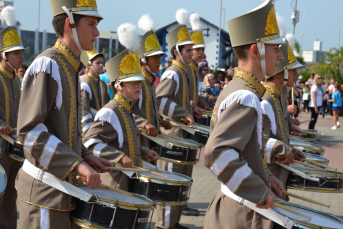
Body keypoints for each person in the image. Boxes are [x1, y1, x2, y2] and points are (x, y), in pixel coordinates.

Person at [16, 1, 113, 228]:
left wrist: (85, 154)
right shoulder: (47, 65)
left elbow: (63, 130)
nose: (97, 32)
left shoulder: (70, 67)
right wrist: (77, 164)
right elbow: (30, 131)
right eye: (91, 24)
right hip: (44, 194)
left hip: (63, 191)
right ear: (70, 24)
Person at [204, 1, 287, 228]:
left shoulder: (238, 88)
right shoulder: (245, 96)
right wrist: (258, 189)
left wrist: (265, 177)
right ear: (255, 50)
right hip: (242, 214)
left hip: (239, 208)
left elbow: (243, 152)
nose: (281, 57)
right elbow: (216, 153)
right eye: (275, 48)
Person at [83, 23, 158, 192]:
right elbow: (90, 142)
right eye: (132, 83)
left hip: (129, 180)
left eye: (139, 82)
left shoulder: (127, 108)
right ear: (118, 86)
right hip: (114, 183)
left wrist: (144, 151)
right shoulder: (109, 111)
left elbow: (125, 143)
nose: (138, 86)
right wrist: (119, 157)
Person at [155, 9, 202, 229]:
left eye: (193, 50)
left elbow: (184, 101)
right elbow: (160, 102)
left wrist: (194, 108)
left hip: (184, 134)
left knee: (182, 181)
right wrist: (184, 114)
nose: (192, 53)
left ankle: (174, 222)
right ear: (177, 51)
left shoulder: (185, 72)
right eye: (189, 50)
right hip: (173, 134)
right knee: (171, 182)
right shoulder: (172, 72)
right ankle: (164, 225)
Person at [262, 38, 305, 200]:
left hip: (279, 172)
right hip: (270, 174)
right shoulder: (266, 100)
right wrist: (284, 150)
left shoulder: (278, 94)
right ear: (280, 72)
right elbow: (258, 141)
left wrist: (291, 149)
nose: (296, 74)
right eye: (292, 70)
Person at [0, 6, 25, 228]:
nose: (21, 56)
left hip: (14, 153)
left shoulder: (17, 81)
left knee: (10, 202)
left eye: (21, 52)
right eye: (16, 53)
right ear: (3, 55)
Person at [132, 14, 172, 149]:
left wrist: (159, 121)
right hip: (138, 140)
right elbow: (123, 111)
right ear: (143, 60)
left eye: (159, 58)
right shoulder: (137, 82)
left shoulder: (150, 82)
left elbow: (146, 111)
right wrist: (144, 124)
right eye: (155, 58)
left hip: (151, 140)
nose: (159, 62)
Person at [80, 49, 110, 138]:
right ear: (89, 65)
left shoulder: (104, 84)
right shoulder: (85, 84)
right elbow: (84, 111)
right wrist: (88, 133)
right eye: (98, 63)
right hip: (90, 129)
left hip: (102, 127)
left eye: (102, 63)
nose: (101, 65)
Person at [188, 12, 208, 110]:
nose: (201, 52)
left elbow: (193, 92)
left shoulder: (196, 67)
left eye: (202, 49)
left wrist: (199, 100)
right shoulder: (187, 68)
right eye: (198, 49)